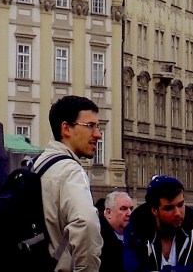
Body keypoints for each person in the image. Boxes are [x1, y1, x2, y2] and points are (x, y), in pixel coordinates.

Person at [31, 95, 104, 272]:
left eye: (98, 127)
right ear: (66, 129)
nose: (98, 135)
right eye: (90, 126)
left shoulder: (38, 164)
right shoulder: (71, 171)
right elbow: (86, 224)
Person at [123, 174, 193, 272]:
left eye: (181, 205)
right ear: (154, 210)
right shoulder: (136, 232)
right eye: (169, 208)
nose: (177, 213)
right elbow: (133, 268)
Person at [99, 191, 133, 272]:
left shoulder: (136, 237)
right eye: (124, 209)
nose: (129, 213)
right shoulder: (98, 239)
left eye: (131, 208)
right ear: (109, 212)